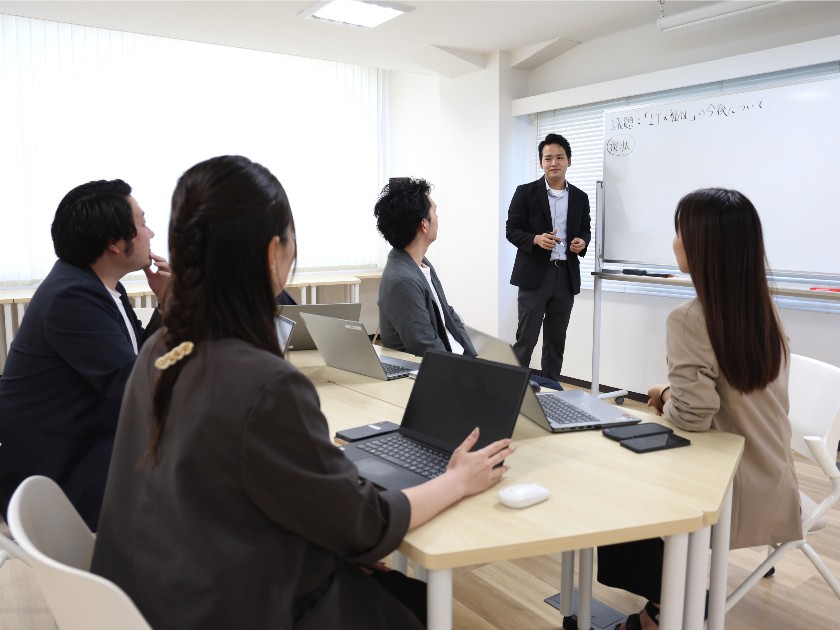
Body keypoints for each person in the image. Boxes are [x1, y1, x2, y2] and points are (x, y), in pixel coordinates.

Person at [91, 156, 514, 629]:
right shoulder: (266, 385)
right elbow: (365, 525)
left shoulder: (161, 350)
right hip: (233, 607)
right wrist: (457, 478)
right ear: (274, 251)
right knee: (414, 604)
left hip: (150, 600)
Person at [596, 188, 802, 630]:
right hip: (773, 474)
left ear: (702, 246)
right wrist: (673, 391)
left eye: (679, 231)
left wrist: (665, 394)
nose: (673, 241)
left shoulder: (691, 317)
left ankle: (668, 604)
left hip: (726, 484)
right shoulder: (762, 309)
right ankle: (668, 600)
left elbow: (693, 417)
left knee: (620, 483)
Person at [0, 179, 170, 530]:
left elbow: (138, 358)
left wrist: (168, 306)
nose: (150, 234)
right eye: (141, 224)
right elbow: (134, 386)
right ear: (113, 243)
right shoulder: (72, 298)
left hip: (87, 443)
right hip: (57, 475)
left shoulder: (100, 287)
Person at [506, 132, 591, 382]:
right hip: (534, 276)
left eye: (559, 157)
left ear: (569, 162)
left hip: (565, 276)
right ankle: (512, 388)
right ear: (541, 163)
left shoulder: (580, 197)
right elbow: (512, 230)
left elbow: (585, 228)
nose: (554, 162)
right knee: (526, 338)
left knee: (556, 340)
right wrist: (535, 239)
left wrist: (582, 242)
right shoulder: (525, 193)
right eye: (548, 158)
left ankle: (551, 389)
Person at [374, 177, 476, 357]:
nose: (437, 218)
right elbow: (426, 345)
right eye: (435, 212)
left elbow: (448, 315)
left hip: (456, 363)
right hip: (438, 373)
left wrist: (474, 358)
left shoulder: (422, 264)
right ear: (424, 224)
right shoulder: (402, 280)